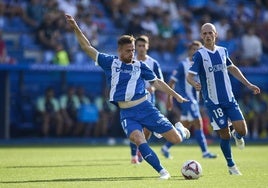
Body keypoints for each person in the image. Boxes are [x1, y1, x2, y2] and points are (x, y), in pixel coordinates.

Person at [65, 14, 190, 180]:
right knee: (139, 139)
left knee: (175, 139)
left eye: (133, 50)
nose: (132, 53)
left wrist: (175, 95)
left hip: (146, 108)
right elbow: (87, 47)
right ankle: (163, 172)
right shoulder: (110, 62)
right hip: (127, 113)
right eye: (128, 51)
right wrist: (75, 27)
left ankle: (181, 130)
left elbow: (158, 82)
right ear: (119, 51)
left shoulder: (140, 66)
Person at [187, 23, 261, 175]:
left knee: (242, 130)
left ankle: (238, 136)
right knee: (224, 134)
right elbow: (189, 76)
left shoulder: (223, 51)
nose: (207, 35)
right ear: (201, 36)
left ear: (216, 35)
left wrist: (248, 84)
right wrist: (194, 83)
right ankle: (231, 166)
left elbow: (232, 68)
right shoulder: (200, 55)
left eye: (210, 33)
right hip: (213, 103)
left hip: (229, 99)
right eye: (205, 33)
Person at [163, 40, 217, 159]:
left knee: (184, 128)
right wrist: (169, 99)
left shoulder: (201, 66)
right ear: (189, 51)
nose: (196, 52)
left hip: (195, 100)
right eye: (194, 49)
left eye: (198, 50)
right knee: (198, 124)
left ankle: (166, 147)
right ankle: (205, 152)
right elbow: (171, 82)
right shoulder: (183, 65)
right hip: (187, 100)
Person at [129, 35, 164, 164]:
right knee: (136, 128)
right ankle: (134, 155)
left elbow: (159, 81)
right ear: (135, 47)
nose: (142, 48)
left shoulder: (153, 63)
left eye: (144, 45)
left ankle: (140, 151)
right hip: (134, 101)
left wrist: (153, 88)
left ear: (147, 46)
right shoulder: (130, 61)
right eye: (139, 46)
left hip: (149, 100)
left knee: (147, 129)